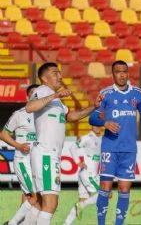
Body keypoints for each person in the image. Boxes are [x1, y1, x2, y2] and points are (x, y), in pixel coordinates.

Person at [25, 62, 102, 225]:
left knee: (40, 203)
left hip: (49, 155)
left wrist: (93, 107)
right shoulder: (42, 91)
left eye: (59, 73)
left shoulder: (56, 101)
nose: (59, 76)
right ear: (43, 78)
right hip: (45, 153)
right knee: (51, 203)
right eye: (54, 73)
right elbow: (30, 107)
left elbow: (71, 117)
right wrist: (55, 96)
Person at [89, 60, 141, 225]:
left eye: (124, 71)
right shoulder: (106, 94)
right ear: (113, 74)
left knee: (124, 189)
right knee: (105, 187)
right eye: (118, 71)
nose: (122, 74)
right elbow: (92, 118)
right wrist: (105, 123)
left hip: (129, 149)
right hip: (110, 147)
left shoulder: (137, 94)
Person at [1, 84, 39, 225]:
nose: (36, 97)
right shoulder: (20, 114)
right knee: (35, 196)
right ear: (27, 97)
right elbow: (3, 134)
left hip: (39, 161)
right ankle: (13, 223)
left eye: (39, 94)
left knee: (29, 195)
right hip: (23, 160)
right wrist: (19, 145)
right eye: (33, 94)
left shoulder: (44, 115)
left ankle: (20, 222)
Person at [64, 126, 102, 225]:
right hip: (87, 173)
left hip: (87, 173)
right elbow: (72, 147)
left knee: (82, 202)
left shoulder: (101, 138)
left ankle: (66, 223)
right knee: (105, 194)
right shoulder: (88, 137)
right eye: (94, 124)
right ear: (91, 126)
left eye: (98, 124)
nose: (97, 127)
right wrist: (78, 162)